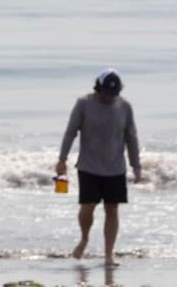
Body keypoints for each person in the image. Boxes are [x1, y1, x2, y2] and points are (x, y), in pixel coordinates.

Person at [56, 67, 143, 265]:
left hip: (115, 168)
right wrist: (62, 159)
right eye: (105, 92)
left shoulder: (125, 107)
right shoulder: (84, 104)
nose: (109, 97)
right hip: (88, 166)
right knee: (88, 207)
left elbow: (132, 137)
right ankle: (84, 238)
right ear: (98, 88)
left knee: (112, 209)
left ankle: (109, 254)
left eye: (113, 93)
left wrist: (136, 165)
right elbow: (70, 132)